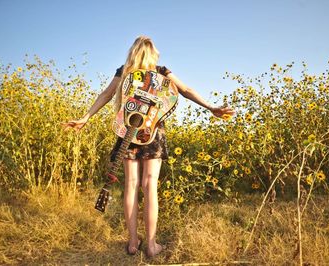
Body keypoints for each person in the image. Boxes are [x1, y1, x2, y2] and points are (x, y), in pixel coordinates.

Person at [62, 36, 235, 258]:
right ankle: (151, 246)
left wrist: (85, 117)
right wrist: (210, 106)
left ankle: (133, 243)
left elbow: (106, 95)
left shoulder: (124, 71)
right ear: (151, 53)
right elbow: (185, 89)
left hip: (127, 131)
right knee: (149, 185)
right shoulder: (161, 71)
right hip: (153, 132)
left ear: (134, 52)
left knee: (131, 185)